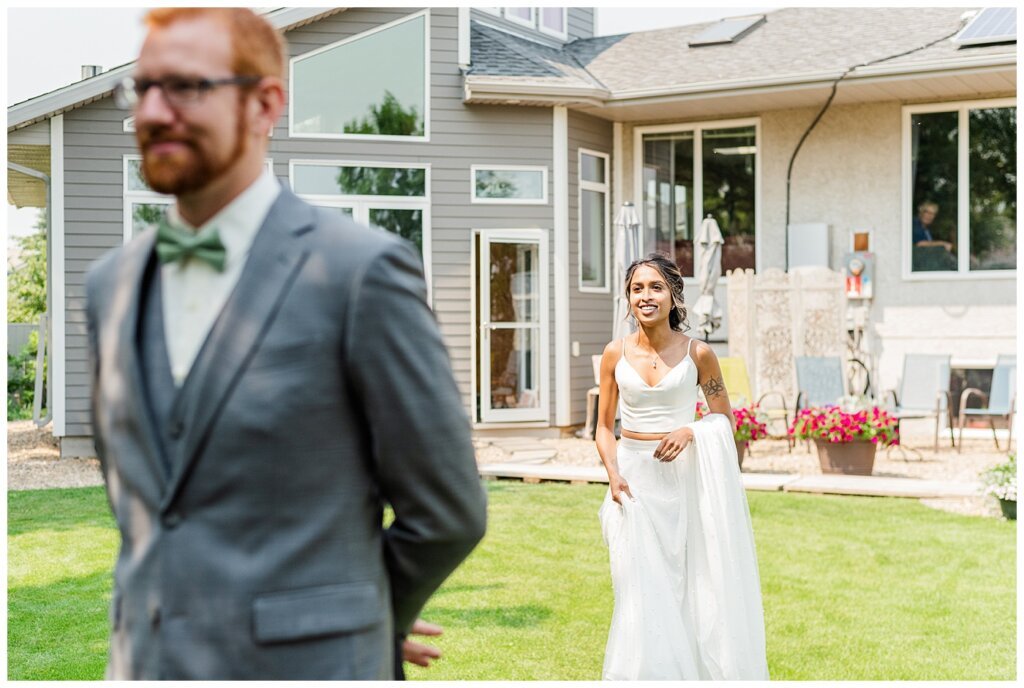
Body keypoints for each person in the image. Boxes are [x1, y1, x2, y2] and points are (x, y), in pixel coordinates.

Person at [85, 8, 486, 680]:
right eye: (141, 88)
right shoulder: (109, 286)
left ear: (265, 104)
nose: (151, 111)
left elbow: (447, 510)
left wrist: (362, 608)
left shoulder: (359, 271)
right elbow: (143, 502)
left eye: (183, 86)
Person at [594, 253, 768, 680]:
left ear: (673, 295)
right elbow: (602, 427)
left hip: (685, 483)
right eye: (637, 288)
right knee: (637, 593)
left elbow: (723, 418)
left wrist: (692, 431)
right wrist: (614, 475)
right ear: (628, 298)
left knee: (692, 588)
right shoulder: (614, 354)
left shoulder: (699, 353)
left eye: (656, 287)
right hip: (633, 487)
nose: (646, 296)